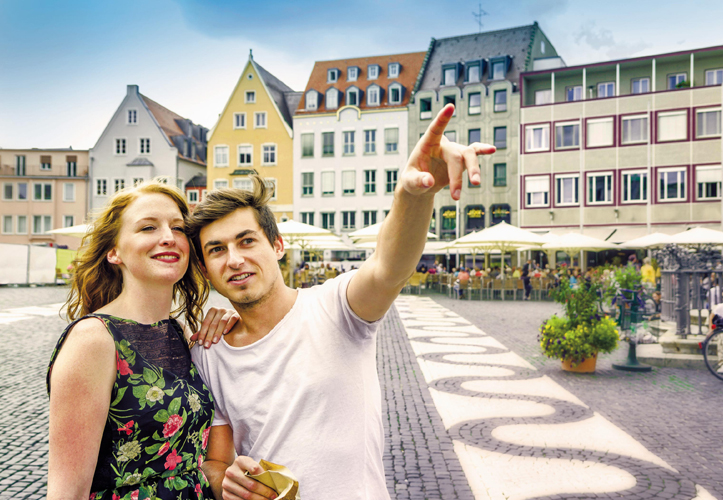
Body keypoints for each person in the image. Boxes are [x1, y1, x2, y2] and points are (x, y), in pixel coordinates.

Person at [187, 103, 495, 500]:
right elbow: (216, 460)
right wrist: (226, 481)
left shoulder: (335, 307)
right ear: (206, 267)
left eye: (247, 241)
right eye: (216, 250)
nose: (234, 259)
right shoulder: (210, 352)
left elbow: (388, 268)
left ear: (277, 246)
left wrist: (413, 195)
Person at [47, 181, 237, 499]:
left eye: (178, 228)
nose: (168, 237)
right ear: (114, 251)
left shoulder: (180, 333)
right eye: (148, 227)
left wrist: (235, 330)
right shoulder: (93, 340)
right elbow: (67, 492)